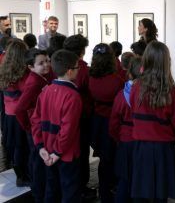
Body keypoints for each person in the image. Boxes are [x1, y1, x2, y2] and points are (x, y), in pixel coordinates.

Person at [130, 41, 175, 202]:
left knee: (142, 192)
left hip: (141, 146)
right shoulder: (172, 92)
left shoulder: (136, 87)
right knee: (160, 194)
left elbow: (133, 112)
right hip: (163, 148)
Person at [31, 49, 82, 202]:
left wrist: (41, 147)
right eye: (77, 67)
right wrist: (57, 153)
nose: (79, 70)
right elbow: (68, 130)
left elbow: (35, 121)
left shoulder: (45, 91)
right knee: (70, 192)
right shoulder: (73, 96)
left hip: (47, 150)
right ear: (70, 71)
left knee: (51, 189)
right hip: (65, 154)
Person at [88, 43, 124, 202]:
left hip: (97, 121)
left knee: (103, 157)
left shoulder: (90, 78)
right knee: (114, 156)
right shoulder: (117, 80)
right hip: (113, 120)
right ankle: (112, 187)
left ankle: (104, 191)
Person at [63, 34, 97, 200]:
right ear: (82, 51)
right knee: (81, 153)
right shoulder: (84, 69)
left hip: (63, 115)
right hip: (81, 115)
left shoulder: (62, 66)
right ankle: (80, 188)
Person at [15, 48, 51, 202]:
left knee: (37, 160)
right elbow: (19, 109)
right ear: (31, 67)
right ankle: (38, 193)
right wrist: (28, 128)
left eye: (47, 61)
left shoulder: (40, 78)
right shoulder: (35, 82)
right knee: (37, 162)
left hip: (37, 126)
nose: (46, 65)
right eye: (41, 63)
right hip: (34, 128)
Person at [110, 56, 141, 203]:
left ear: (129, 73)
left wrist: (118, 138)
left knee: (124, 180)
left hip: (125, 140)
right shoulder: (146, 95)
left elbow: (114, 123)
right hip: (142, 141)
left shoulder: (121, 96)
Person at [0, 39, 30, 187]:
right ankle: (23, 175)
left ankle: (20, 174)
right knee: (24, 146)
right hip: (21, 115)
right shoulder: (23, 73)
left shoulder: (4, 69)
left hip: (9, 114)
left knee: (17, 147)